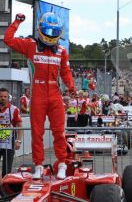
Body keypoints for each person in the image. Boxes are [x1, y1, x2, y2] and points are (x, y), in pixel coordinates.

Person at [4, 13, 76, 179]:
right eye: (47, 30)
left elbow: (65, 72)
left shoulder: (61, 51)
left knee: (59, 132)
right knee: (37, 133)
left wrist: (71, 87)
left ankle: (62, 164)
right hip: (37, 93)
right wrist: (17, 22)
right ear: (40, 29)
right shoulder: (30, 45)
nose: (50, 34)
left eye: (54, 31)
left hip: (55, 94)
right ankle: (38, 165)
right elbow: (8, 39)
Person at [0, 88, 23, 177]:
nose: (3, 98)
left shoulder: (14, 109)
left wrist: (19, 141)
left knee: (6, 169)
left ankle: (4, 190)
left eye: (5, 96)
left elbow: (20, 127)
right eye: (1, 96)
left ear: (8, 97)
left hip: (8, 143)